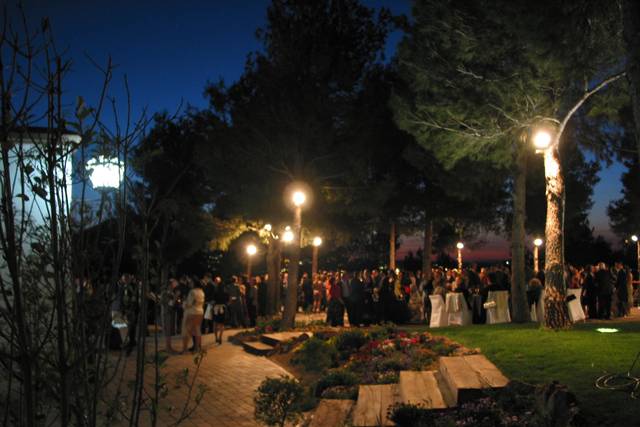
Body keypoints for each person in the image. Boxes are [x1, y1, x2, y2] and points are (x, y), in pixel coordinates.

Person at [181, 282, 205, 353]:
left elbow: (189, 304)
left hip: (192, 312)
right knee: (197, 329)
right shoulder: (201, 292)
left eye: (191, 282)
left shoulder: (192, 292)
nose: (190, 284)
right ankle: (197, 348)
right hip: (200, 311)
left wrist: (184, 303)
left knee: (186, 330)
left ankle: (185, 349)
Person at [161, 278, 178, 352]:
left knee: (170, 330)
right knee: (168, 330)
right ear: (169, 285)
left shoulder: (171, 292)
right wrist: (175, 297)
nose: (174, 286)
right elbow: (170, 304)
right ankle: (168, 347)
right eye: (173, 284)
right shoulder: (165, 293)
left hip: (170, 313)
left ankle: (169, 346)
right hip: (167, 313)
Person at [213, 279, 229, 344]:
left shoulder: (215, 292)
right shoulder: (226, 293)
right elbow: (228, 301)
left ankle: (216, 338)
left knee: (215, 323)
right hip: (223, 308)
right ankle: (220, 337)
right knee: (222, 324)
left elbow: (213, 301)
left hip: (216, 308)